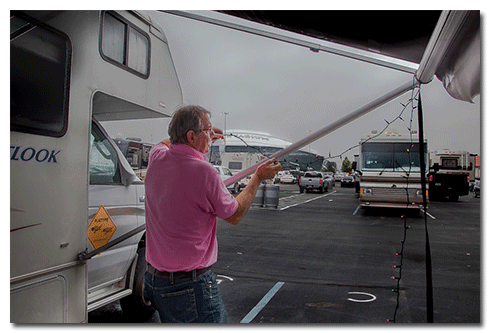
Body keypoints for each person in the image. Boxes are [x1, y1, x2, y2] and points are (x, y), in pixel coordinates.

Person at [144, 105, 282, 323]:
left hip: (154, 280)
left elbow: (165, 143)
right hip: (189, 284)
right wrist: (257, 178)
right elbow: (234, 214)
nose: (211, 135)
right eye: (207, 131)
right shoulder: (204, 172)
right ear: (191, 136)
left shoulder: (157, 158)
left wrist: (200, 137)